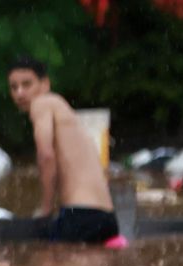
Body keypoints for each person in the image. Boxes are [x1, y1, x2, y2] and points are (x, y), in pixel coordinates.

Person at [7, 55, 118, 244]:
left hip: (81, 215)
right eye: (14, 87)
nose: (20, 93)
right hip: (106, 217)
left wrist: (46, 210)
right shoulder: (66, 113)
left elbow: (46, 155)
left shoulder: (42, 104)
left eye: (27, 84)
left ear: (45, 84)